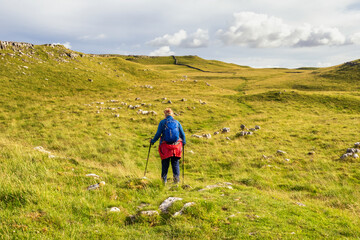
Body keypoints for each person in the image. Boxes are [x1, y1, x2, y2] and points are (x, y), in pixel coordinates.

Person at [150, 108, 186, 184]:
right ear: (172, 114)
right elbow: (182, 134)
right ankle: (176, 182)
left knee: (165, 164)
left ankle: (163, 182)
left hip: (165, 147)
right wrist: (184, 142)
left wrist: (152, 141)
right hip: (176, 147)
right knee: (175, 164)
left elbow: (158, 134)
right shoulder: (177, 122)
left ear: (165, 115)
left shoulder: (162, 122)